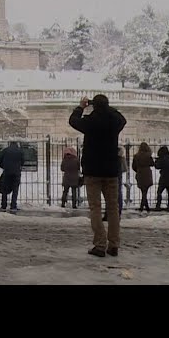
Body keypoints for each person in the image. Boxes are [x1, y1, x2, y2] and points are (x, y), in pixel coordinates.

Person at [69, 95, 126, 257]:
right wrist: (108, 108)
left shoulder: (90, 122)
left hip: (93, 170)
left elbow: (73, 120)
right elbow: (122, 118)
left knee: (95, 208)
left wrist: (81, 107)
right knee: (113, 208)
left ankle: (100, 245)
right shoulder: (114, 122)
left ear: (94, 105)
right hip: (110, 171)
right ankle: (114, 244)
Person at [0, 141, 24, 213]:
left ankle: (3, 206)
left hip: (7, 172)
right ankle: (13, 206)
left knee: (4, 189)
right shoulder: (20, 151)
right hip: (16, 173)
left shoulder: (5, 150)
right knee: (15, 190)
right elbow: (23, 161)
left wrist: (4, 166)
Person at [154, 146, 169, 211]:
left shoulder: (162, 159)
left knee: (159, 192)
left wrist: (156, 161)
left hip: (164, 178)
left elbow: (157, 166)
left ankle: (158, 205)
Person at [132, 142, 154, 213]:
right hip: (147, 173)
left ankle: (144, 207)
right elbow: (152, 164)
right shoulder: (148, 155)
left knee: (143, 191)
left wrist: (138, 170)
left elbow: (133, 166)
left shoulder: (136, 156)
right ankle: (144, 207)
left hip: (140, 173)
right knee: (145, 191)